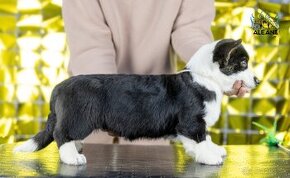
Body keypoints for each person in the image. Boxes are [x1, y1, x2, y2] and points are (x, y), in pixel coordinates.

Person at [62, 0, 248, 145]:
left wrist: (217, 69)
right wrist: (111, 108)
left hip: (152, 118)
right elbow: (91, 46)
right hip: (93, 124)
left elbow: (190, 31)